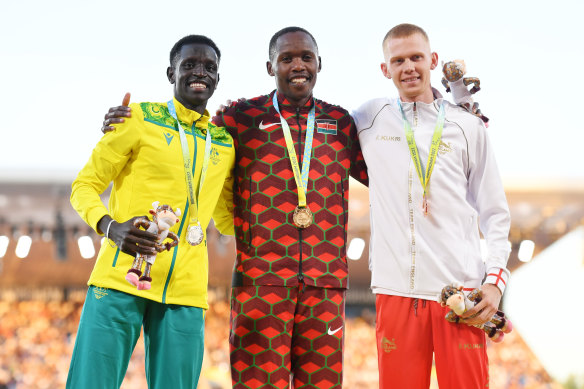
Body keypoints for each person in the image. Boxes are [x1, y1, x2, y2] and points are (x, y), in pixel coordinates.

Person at [102, 26, 368, 389]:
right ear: (269, 66)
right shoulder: (240, 118)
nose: (297, 66)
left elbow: (383, 174)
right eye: (286, 58)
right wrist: (124, 121)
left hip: (325, 283)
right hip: (261, 281)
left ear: (319, 63)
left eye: (306, 57)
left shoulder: (340, 123)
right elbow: (186, 135)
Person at [68, 34, 235, 389]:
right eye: (188, 65)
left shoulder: (224, 142)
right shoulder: (137, 118)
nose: (199, 73)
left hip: (185, 291)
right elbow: (83, 186)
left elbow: (226, 219)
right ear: (170, 72)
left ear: (218, 78)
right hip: (118, 278)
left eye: (209, 67)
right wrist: (110, 227)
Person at [352, 23, 511, 388]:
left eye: (416, 57)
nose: (408, 67)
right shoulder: (369, 117)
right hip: (395, 294)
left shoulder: (467, 126)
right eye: (398, 60)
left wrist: (494, 283)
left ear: (433, 60)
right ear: (384, 69)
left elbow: (496, 212)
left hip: (462, 294)